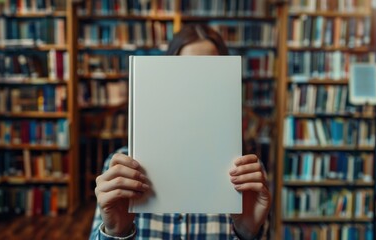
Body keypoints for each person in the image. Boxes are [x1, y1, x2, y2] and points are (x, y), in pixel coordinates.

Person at [90, 24, 271, 240]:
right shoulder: (123, 167)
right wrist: (115, 232)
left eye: (210, 77)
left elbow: (252, 227)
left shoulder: (245, 175)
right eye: (185, 75)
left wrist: (248, 233)